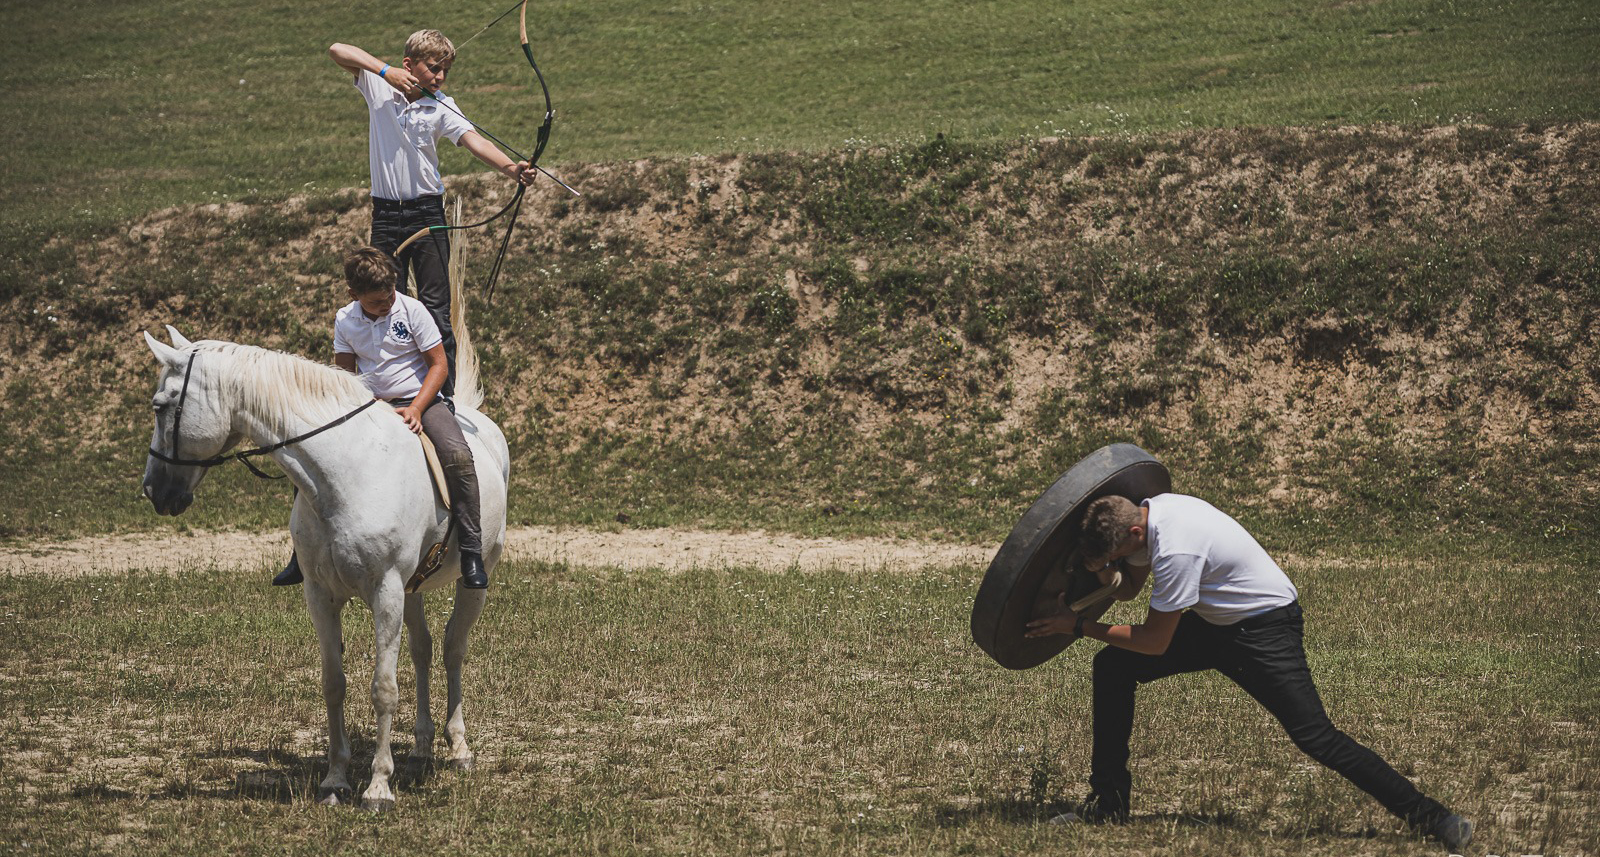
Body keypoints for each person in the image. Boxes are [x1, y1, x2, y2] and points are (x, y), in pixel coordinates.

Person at [1025, 493, 1471, 851]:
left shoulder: (1177, 548)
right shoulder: (1153, 512)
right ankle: (1109, 805)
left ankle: (1435, 819)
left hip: (1264, 629)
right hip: (1216, 623)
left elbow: (1153, 641)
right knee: (1113, 666)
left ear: (1135, 531)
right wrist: (1107, 572)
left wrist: (1079, 625)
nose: (1117, 561)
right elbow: (1129, 591)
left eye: (1116, 555)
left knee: (1315, 736)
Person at [327, 30, 532, 398]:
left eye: (444, 71)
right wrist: (385, 70)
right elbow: (338, 49)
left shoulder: (441, 105)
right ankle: (378, 392)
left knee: (436, 307)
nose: (438, 77)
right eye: (433, 68)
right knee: (378, 301)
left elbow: (475, 141)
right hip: (387, 215)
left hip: (427, 213)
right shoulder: (379, 87)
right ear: (410, 65)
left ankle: (447, 398)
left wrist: (511, 169)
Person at [273, 247, 487, 589]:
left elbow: (439, 365)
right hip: (369, 405)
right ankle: (301, 553)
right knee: (310, 456)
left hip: (422, 400)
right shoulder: (345, 319)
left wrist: (417, 407)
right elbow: (345, 375)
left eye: (390, 294)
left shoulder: (412, 310)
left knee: (458, 456)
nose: (386, 303)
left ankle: (472, 550)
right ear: (353, 295)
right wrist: (363, 406)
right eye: (376, 301)